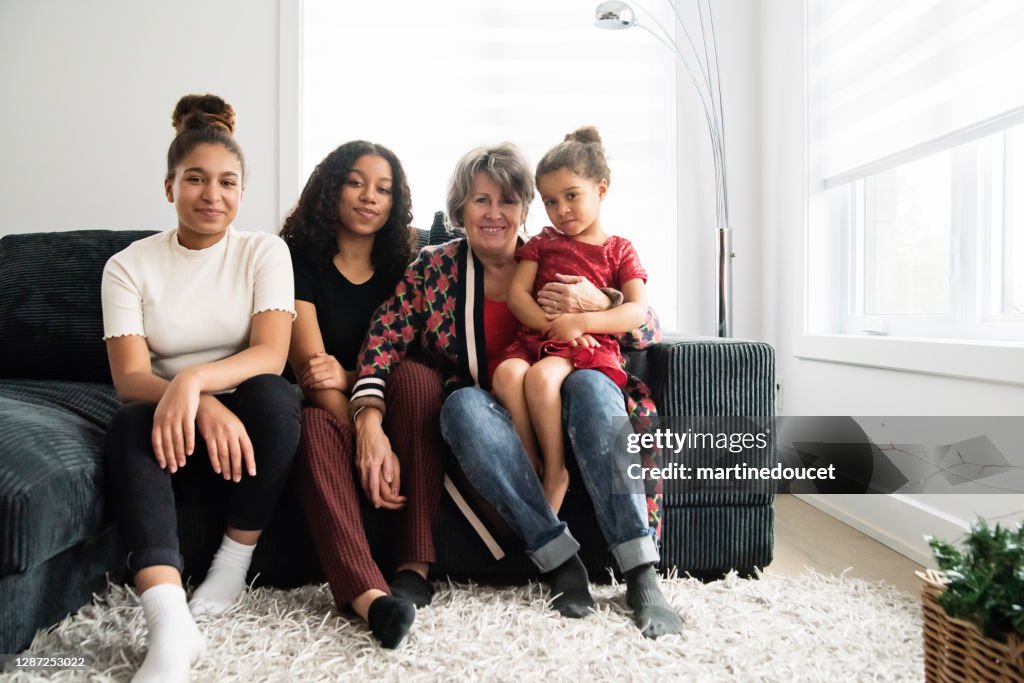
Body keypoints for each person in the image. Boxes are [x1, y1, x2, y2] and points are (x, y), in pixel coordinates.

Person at [349, 143, 683, 638]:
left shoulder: (558, 252)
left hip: (577, 392)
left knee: (592, 388)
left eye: (507, 201)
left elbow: (647, 327)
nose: (494, 213)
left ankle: (640, 573)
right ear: (461, 208)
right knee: (461, 405)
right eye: (480, 200)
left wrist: (601, 301)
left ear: (525, 208)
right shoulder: (435, 268)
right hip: (496, 409)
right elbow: (385, 333)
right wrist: (369, 414)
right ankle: (559, 558)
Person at [101, 94, 301, 682]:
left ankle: (232, 564)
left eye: (227, 182)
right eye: (195, 179)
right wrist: (196, 401)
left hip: (254, 435)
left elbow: (271, 352)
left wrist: (194, 379)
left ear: (242, 192)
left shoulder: (265, 251)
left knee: (272, 393)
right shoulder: (127, 266)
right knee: (127, 422)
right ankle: (168, 624)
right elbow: (129, 377)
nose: (212, 195)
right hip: (171, 427)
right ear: (169, 188)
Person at [280, 140, 445, 649]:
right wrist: (364, 438)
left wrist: (355, 381)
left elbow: (413, 358)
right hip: (328, 411)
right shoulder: (295, 259)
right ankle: (369, 596)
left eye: (384, 189)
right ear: (332, 187)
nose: (369, 197)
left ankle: (415, 566)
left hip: (391, 399)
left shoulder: (409, 261)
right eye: (355, 182)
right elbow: (311, 371)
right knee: (307, 422)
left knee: (417, 378)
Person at [493, 126, 648, 513]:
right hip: (538, 337)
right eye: (550, 201)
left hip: (583, 346)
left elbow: (636, 311)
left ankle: (556, 471)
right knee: (507, 375)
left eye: (571, 196)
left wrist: (581, 324)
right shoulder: (542, 242)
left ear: (601, 189)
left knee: (542, 378)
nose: (561, 210)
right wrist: (549, 326)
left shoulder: (619, 250)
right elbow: (517, 296)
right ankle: (532, 460)